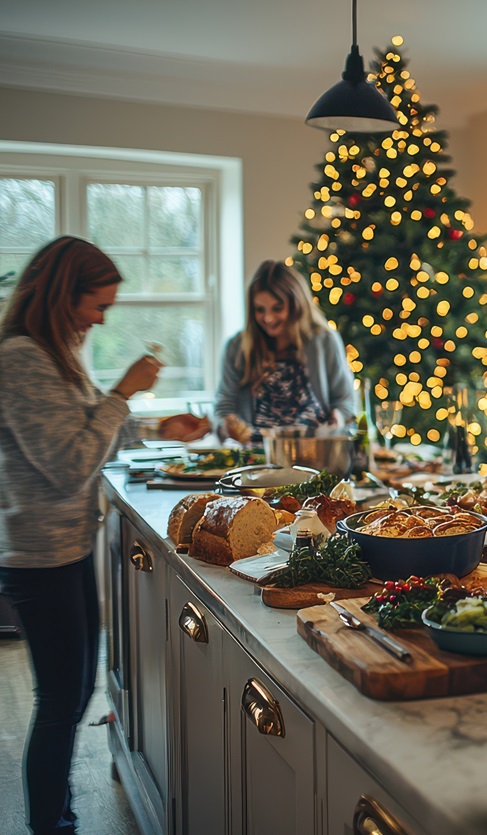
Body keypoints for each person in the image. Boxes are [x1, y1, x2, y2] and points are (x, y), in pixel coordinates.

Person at [0, 235, 209, 835]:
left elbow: (90, 428)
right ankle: (50, 824)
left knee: (69, 697)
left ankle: (57, 812)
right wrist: (123, 392)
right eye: (97, 305)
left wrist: (156, 424)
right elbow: (70, 463)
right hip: (38, 555)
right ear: (64, 295)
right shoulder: (21, 359)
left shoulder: (51, 353)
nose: (102, 317)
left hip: (62, 545)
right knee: (60, 702)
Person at [214, 260, 355, 444]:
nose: (268, 318)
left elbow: (345, 400)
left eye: (277, 308)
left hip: (315, 453)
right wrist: (228, 425)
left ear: (296, 305)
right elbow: (225, 402)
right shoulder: (236, 346)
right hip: (257, 455)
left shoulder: (325, 340)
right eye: (259, 310)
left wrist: (339, 417)